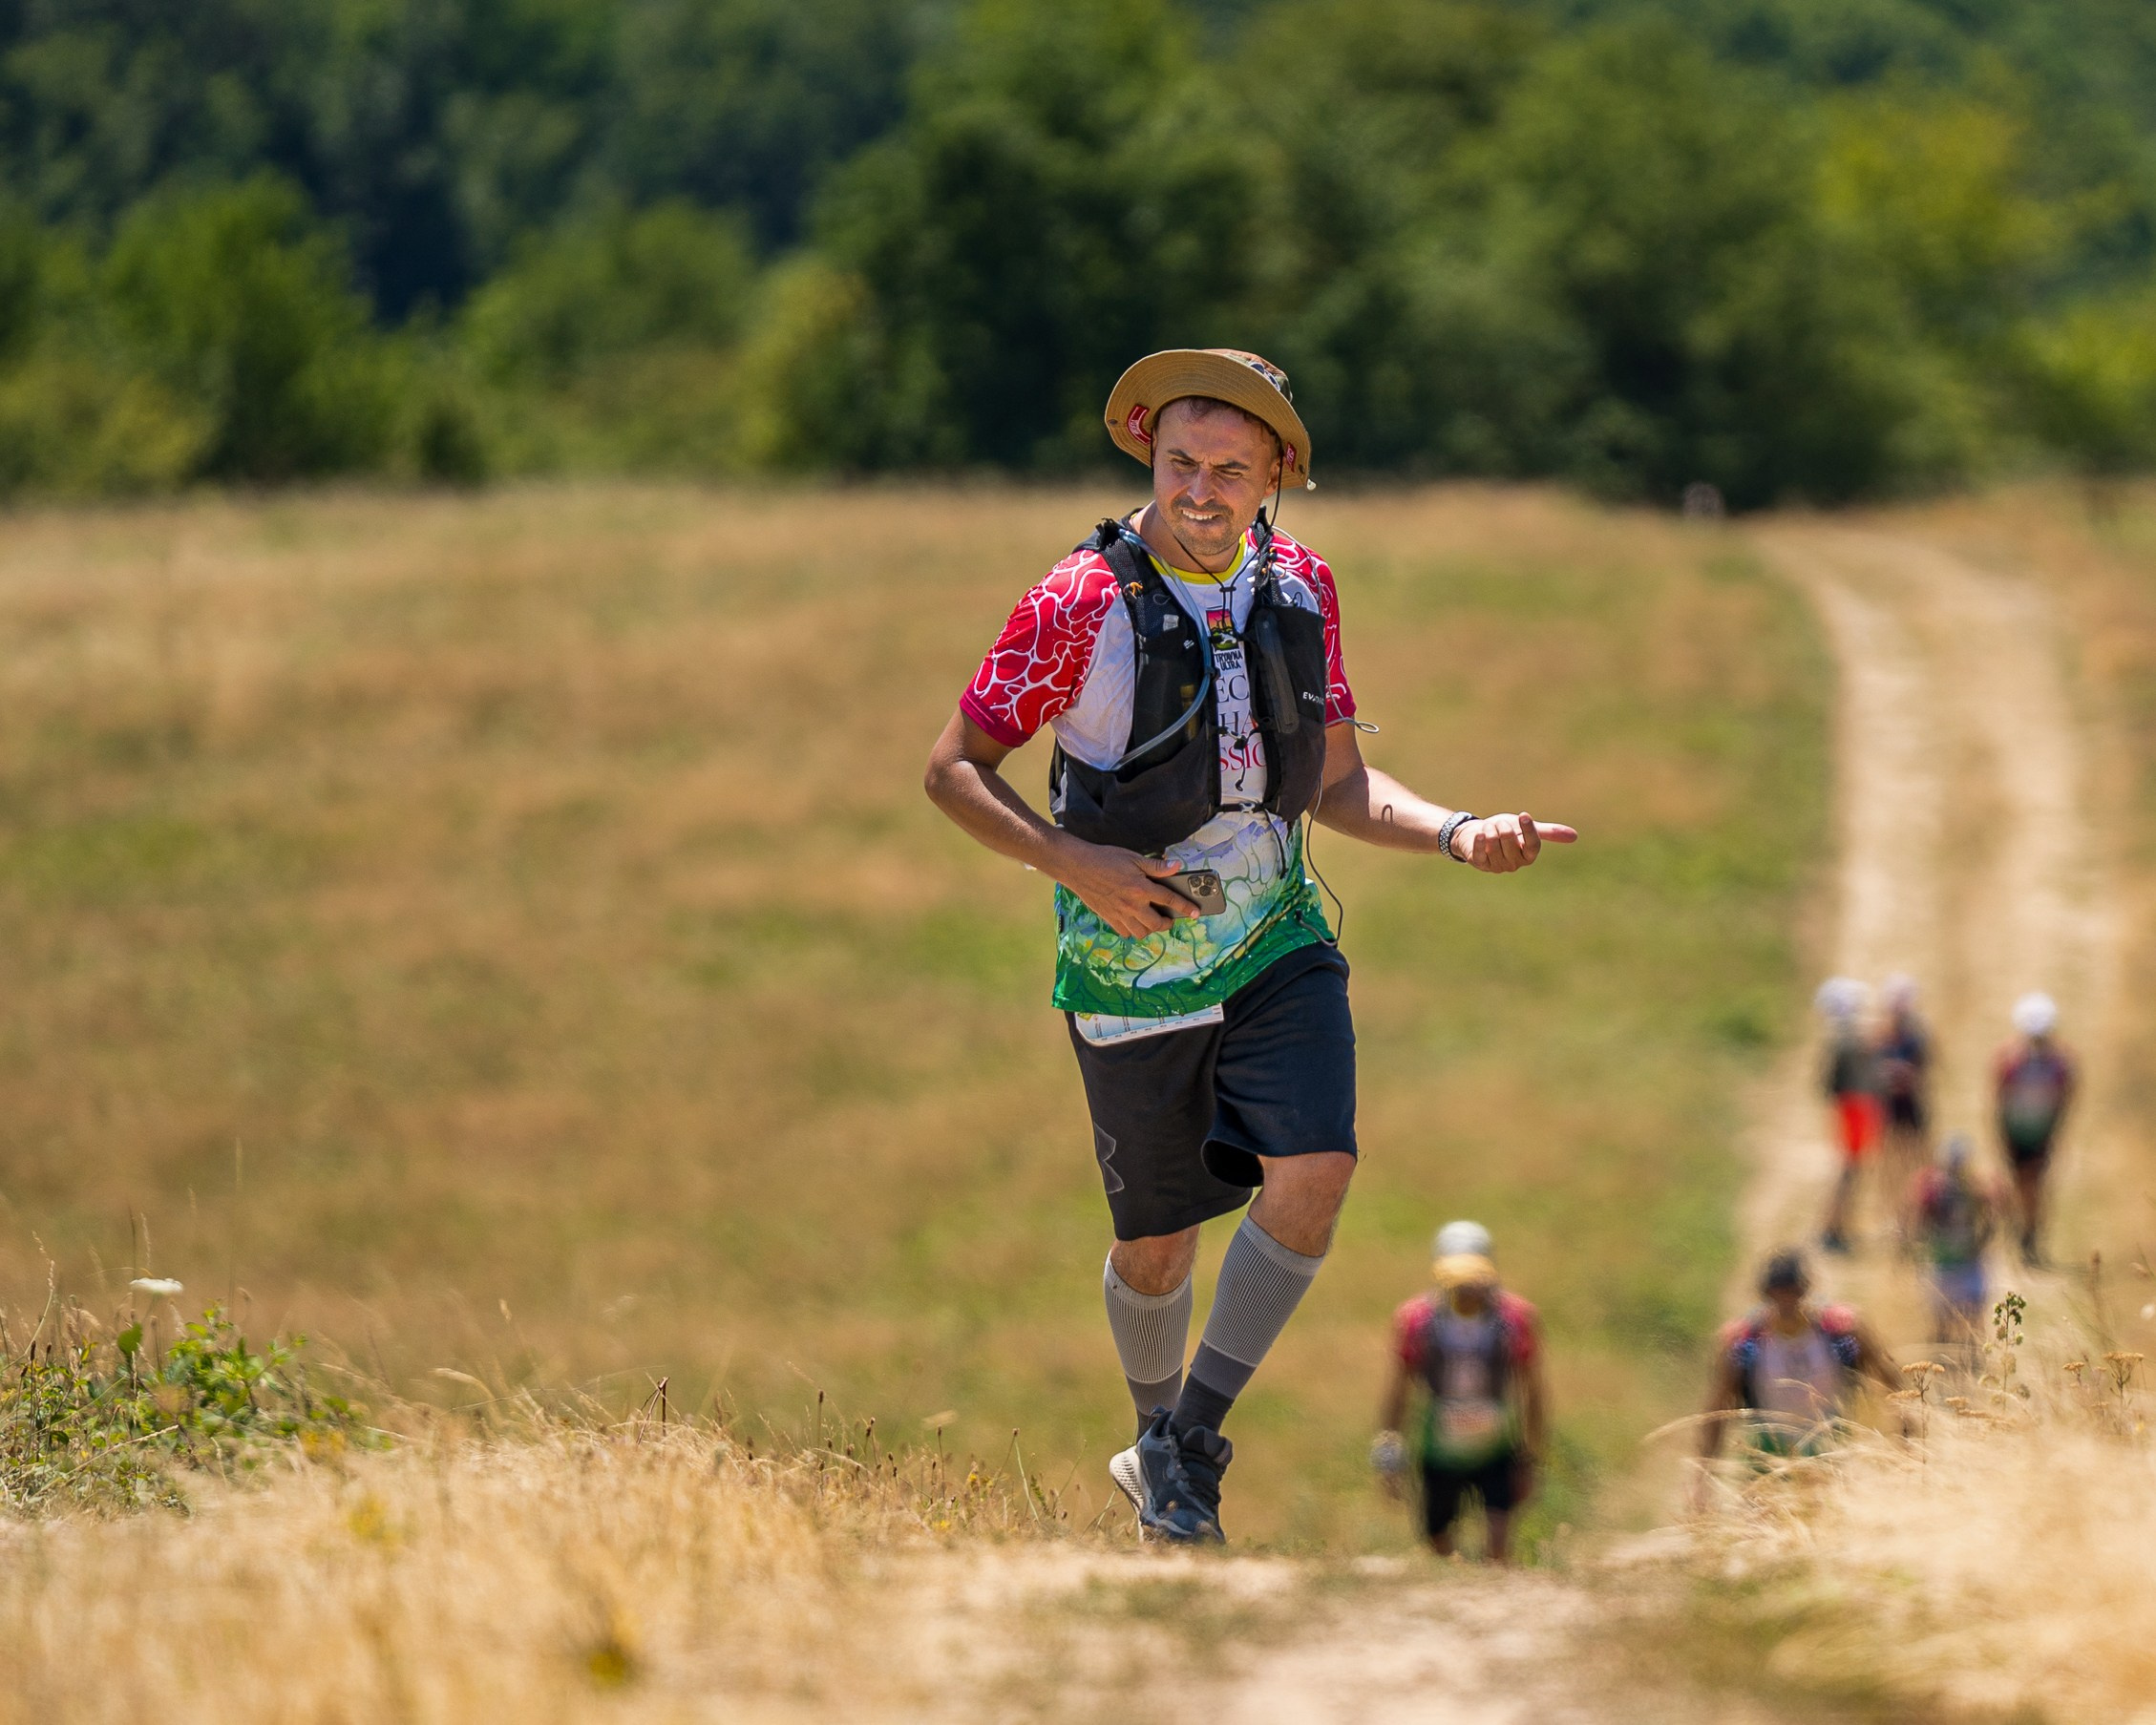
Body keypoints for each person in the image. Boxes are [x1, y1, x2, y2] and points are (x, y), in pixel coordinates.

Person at [922, 348, 1575, 1544]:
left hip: (1276, 936)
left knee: (1316, 1168)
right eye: (1180, 463)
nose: (1201, 491)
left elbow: (1334, 783)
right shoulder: (1073, 602)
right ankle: (1154, 1432)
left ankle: (1188, 1444)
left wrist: (1459, 831)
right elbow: (954, 769)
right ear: (1147, 455)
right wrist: (1075, 864)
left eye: (1231, 468)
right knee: (1155, 1248)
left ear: (1278, 472)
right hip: (1131, 964)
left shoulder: (1303, 587)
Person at [1372, 1221, 1548, 1564]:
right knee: (1438, 1542)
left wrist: (1529, 1458)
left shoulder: (1515, 1319)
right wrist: (1389, 1456)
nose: (1467, 1292)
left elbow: (1534, 1393)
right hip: (1440, 1451)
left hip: (1496, 1449)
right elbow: (1398, 1393)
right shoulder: (1416, 1320)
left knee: (1498, 1545)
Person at [1698, 1250, 1899, 1478]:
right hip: (1767, 1454)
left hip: (1830, 1449)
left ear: (1805, 1290)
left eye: (1793, 1292)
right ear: (1766, 1295)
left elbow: (1890, 1379)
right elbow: (1717, 1410)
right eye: (1778, 1294)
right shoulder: (1743, 1343)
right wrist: (1703, 1476)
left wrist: (1906, 1437)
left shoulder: (1843, 1331)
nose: (1787, 1301)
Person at [1993, 992, 2077, 1268]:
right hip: (2019, 1132)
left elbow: (2067, 1094)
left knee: (2035, 1187)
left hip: (2040, 1132)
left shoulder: (2059, 1060)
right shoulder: (2010, 1058)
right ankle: (2025, 1237)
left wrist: (2055, 1128)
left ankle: (2029, 1238)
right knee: (2023, 1186)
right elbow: (1999, 1096)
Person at [1905, 1134, 2003, 1346]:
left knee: (1966, 1308)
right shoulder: (1936, 1190)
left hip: (1959, 1257)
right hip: (1948, 1258)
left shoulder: (1970, 1189)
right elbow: (1919, 1221)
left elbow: (1989, 1219)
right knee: (1948, 1309)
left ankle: (1963, 1343)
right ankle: (1951, 1344)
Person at [1815, 977, 1883, 1254]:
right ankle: (1833, 1228)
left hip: (1850, 1106)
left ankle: (1838, 1226)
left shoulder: (1839, 1036)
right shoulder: (1847, 1038)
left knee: (1850, 1171)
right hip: (1853, 1106)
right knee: (1849, 1171)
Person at [1873, 974, 1934, 1217]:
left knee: (1917, 1157)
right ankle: (1895, 1211)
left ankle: (1916, 1210)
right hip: (1889, 1104)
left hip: (1911, 1102)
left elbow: (1926, 1068)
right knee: (1890, 1161)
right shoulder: (1880, 1037)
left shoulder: (1918, 1035)